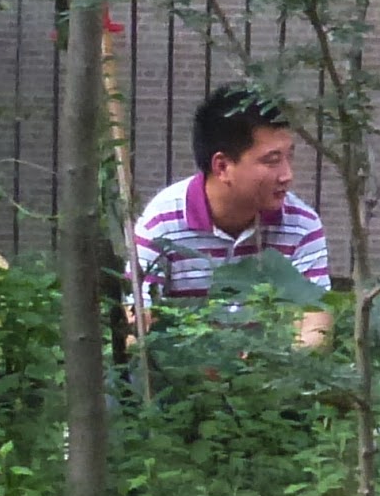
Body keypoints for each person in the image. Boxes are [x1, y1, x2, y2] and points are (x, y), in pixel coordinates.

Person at [133, 85, 331, 348]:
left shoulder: (302, 224)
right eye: (272, 160)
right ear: (222, 166)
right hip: (182, 367)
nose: (287, 175)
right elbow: (136, 323)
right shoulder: (162, 223)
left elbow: (316, 323)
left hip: (272, 368)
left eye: (289, 157)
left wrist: (276, 362)